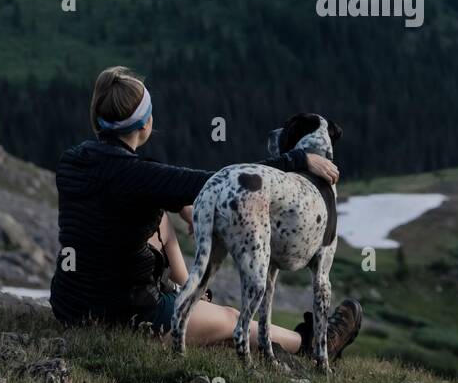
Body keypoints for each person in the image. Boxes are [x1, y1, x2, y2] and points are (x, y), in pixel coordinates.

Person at [49, 66, 362, 359]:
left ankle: (193, 294)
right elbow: (229, 181)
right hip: (124, 319)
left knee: (159, 219)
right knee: (230, 319)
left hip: (68, 303)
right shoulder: (140, 175)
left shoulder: (71, 161)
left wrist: (179, 205)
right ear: (146, 123)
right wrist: (297, 160)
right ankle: (307, 344)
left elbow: (115, 196)